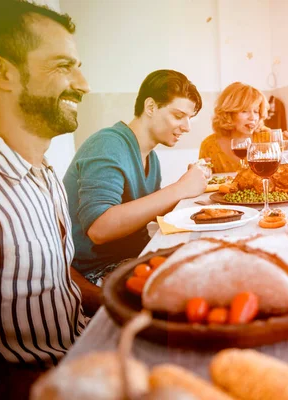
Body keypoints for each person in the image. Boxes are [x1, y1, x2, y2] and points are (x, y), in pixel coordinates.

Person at [0, 0, 97, 397]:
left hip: (83, 352)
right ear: (2, 71)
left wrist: (116, 304)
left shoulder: (46, 173)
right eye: (62, 65)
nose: (84, 84)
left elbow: (59, 275)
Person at [64, 70, 207, 285]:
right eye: (178, 116)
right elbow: (99, 228)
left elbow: (141, 212)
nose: (186, 127)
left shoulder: (152, 157)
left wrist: (192, 194)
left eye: (189, 119)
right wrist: (179, 189)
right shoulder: (108, 144)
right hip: (98, 271)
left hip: (135, 257)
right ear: (150, 107)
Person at [199, 82, 270, 173]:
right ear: (228, 113)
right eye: (244, 111)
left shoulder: (267, 139)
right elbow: (205, 182)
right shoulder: (209, 145)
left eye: (256, 111)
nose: (253, 118)